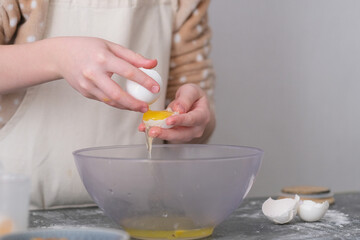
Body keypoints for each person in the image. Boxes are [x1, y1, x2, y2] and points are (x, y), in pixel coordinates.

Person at [0, 0, 215, 209]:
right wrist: (55, 57)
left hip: (136, 209)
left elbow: (197, 102)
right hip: (16, 211)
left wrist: (191, 119)